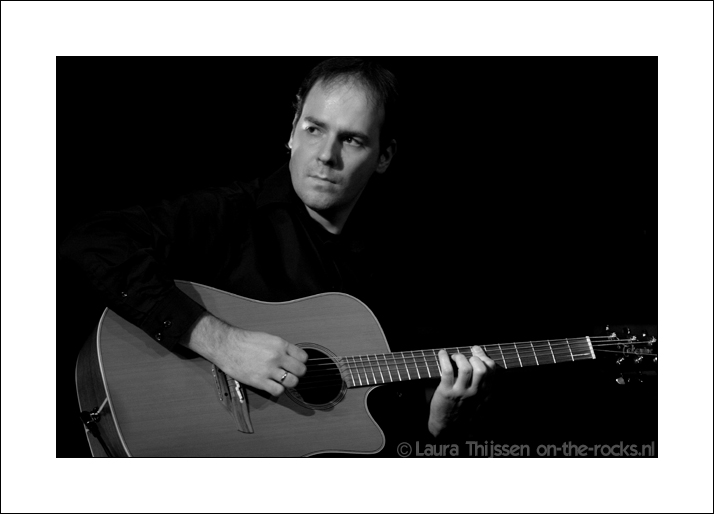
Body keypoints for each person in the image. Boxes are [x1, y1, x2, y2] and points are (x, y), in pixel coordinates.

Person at [60, 57, 496, 450]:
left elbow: (380, 430)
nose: (325, 156)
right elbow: (91, 239)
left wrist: (436, 426)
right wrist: (221, 342)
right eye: (314, 129)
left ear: (384, 156)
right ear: (292, 130)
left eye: (352, 140)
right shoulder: (233, 214)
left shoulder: (404, 272)